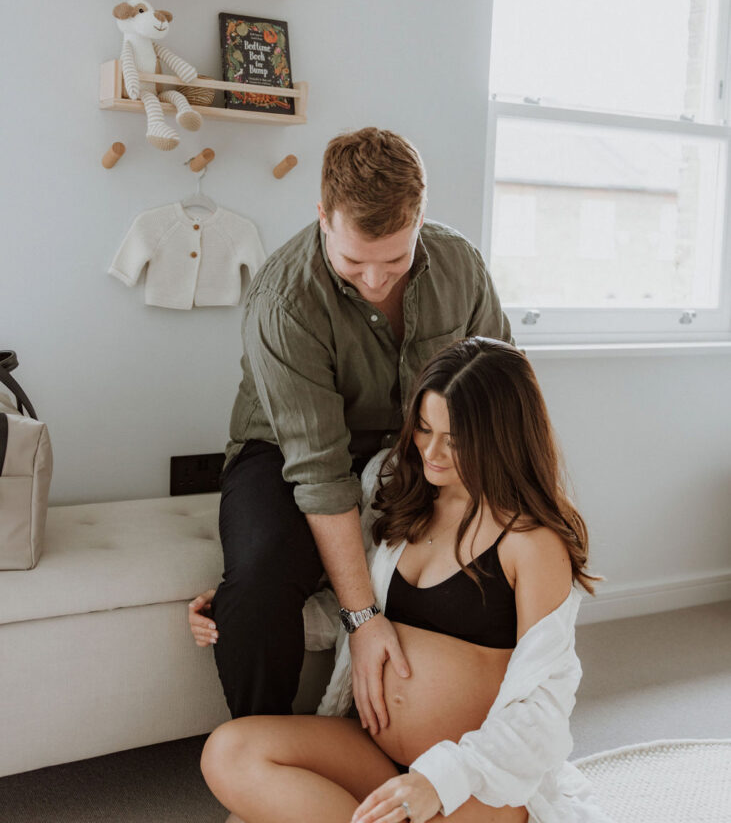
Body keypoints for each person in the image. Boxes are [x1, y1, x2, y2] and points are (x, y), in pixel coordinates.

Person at [198, 338, 611, 823]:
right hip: (375, 755)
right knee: (229, 751)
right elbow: (356, 613)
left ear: (502, 436)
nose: (431, 452)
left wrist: (437, 780)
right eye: (423, 428)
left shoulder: (531, 541)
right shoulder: (398, 490)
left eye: (454, 439)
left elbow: (545, 703)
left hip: (475, 783)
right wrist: (240, 608)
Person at [189, 127, 513, 736]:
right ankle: (266, 752)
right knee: (256, 587)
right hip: (284, 448)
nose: (374, 279)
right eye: (353, 260)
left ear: (420, 220)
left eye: (394, 258)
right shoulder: (282, 300)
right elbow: (317, 467)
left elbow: (498, 389)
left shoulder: (460, 264)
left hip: (416, 444)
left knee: (488, 549)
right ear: (323, 218)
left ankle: (460, 733)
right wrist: (362, 618)